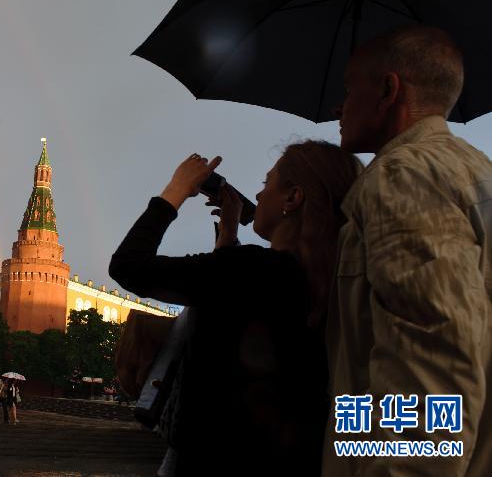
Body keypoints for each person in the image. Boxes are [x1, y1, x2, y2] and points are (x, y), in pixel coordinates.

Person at [110, 140, 362, 474]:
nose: (257, 197)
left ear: (292, 198)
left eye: (265, 185)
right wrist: (228, 234)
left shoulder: (249, 270)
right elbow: (233, 311)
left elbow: (128, 266)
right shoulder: (332, 283)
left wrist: (176, 190)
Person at [325, 24, 492, 476]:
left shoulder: (402, 175)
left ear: (387, 89)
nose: (338, 107)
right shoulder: (475, 170)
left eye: (348, 87)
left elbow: (435, 358)